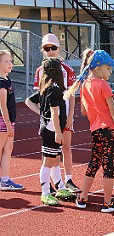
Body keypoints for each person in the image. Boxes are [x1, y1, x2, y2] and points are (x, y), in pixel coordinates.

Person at [64, 49, 114, 213]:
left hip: (95, 130)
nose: (111, 71)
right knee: (108, 165)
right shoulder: (104, 85)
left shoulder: (84, 85)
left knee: (94, 162)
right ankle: (107, 203)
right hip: (109, 130)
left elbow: (84, 112)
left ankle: (83, 197)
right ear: (98, 68)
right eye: (108, 68)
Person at [33, 33, 80, 193]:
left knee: (65, 148)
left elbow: (72, 94)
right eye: (47, 48)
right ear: (42, 50)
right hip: (50, 120)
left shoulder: (67, 69)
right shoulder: (40, 71)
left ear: (59, 49)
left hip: (64, 116)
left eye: (53, 47)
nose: (50, 51)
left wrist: (70, 115)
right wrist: (43, 114)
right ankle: (52, 185)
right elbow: (38, 97)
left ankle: (68, 180)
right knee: (50, 152)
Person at [25, 58, 76, 205]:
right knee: (48, 161)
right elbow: (54, 113)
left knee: (55, 160)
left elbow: (29, 101)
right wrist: (58, 132)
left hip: (52, 129)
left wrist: (41, 113)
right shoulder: (54, 90)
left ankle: (60, 187)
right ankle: (45, 192)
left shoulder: (47, 88)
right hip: (52, 130)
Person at [0, 50, 24, 191]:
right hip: (3, 121)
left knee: (8, 149)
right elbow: (2, 105)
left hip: (9, 121)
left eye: (10, 61)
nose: (10, 64)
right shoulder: (1, 83)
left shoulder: (7, 80)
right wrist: (8, 124)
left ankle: (5, 179)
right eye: (6, 61)